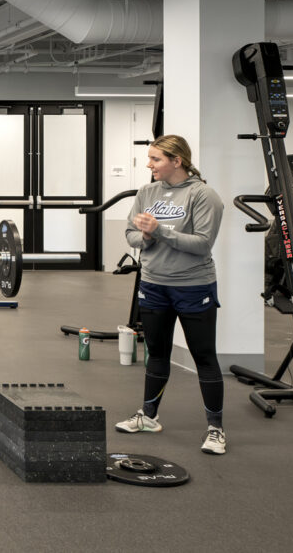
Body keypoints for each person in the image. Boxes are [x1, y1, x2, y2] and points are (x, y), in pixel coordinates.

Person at [116, 135, 227, 456]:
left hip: (194, 286)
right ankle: (149, 416)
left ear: (177, 161)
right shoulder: (147, 192)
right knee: (157, 352)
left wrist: (160, 230)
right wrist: (147, 236)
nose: (148, 165)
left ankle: (216, 429)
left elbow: (203, 244)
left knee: (204, 356)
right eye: (149, 159)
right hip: (153, 284)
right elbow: (131, 234)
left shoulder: (203, 196)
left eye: (155, 159)